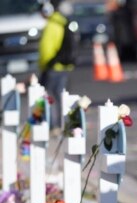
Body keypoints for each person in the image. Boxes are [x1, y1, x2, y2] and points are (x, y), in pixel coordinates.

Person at [38, 0, 76, 133]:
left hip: (54, 66)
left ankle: (54, 125)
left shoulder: (52, 25)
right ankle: (63, 123)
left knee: (51, 96)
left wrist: (46, 64)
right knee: (61, 95)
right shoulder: (61, 22)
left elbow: (47, 48)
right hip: (63, 65)